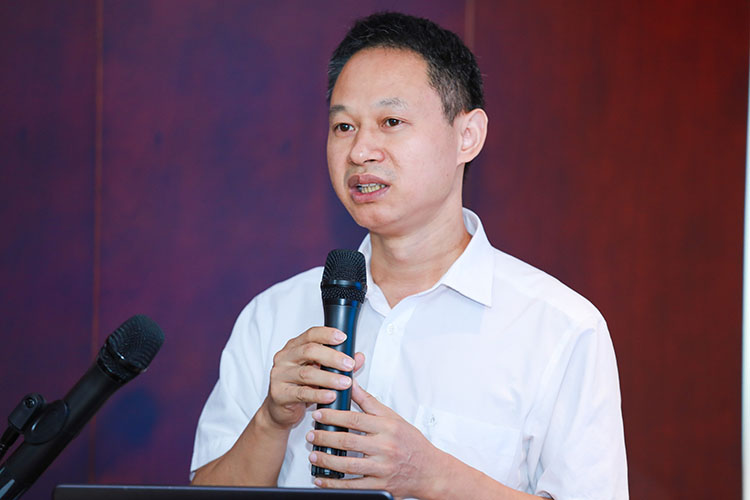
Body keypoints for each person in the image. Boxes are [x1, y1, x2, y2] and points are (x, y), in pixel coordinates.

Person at [190, 11, 628, 500]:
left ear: (467, 136)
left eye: (391, 122)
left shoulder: (560, 327)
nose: (360, 151)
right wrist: (271, 421)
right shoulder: (273, 315)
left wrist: (432, 476)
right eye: (343, 126)